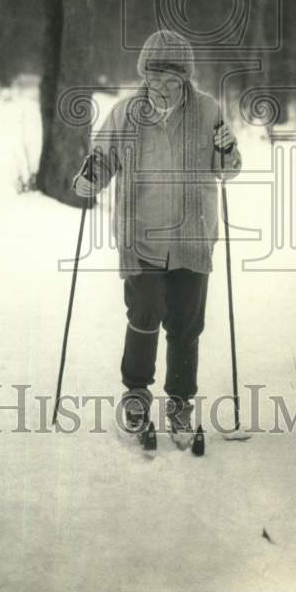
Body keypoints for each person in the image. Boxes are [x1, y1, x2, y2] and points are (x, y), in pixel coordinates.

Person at [73, 29, 241, 447]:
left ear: (186, 78)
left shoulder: (207, 110)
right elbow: (102, 160)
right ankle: (135, 393)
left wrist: (227, 150)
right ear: (143, 75)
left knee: (187, 322)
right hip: (141, 234)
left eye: (172, 78)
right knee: (145, 312)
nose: (163, 86)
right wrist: (89, 177)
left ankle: (180, 402)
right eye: (155, 77)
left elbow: (229, 169)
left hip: (191, 235)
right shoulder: (126, 112)